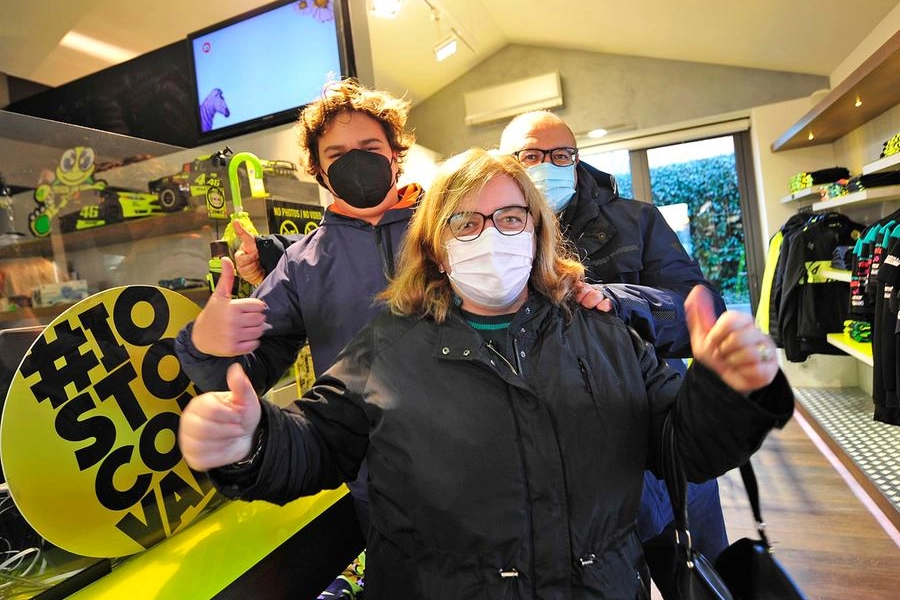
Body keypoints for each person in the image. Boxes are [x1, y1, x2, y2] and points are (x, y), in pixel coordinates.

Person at [178, 148, 793, 599]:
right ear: (437, 249)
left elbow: (682, 446)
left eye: (509, 218)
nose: (490, 236)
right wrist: (251, 443)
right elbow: (313, 445)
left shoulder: (606, 334)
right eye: (465, 222)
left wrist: (726, 391)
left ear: (536, 232)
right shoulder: (386, 348)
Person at [175, 78, 423, 598]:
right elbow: (249, 371)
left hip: (481, 460)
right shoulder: (302, 262)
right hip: (376, 485)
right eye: (337, 153)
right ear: (319, 169)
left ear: (396, 156)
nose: (355, 162)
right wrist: (210, 341)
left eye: (370, 149)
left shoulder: (445, 229)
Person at [498, 110, 732, 595]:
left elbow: (700, 310)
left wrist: (621, 302)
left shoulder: (636, 221)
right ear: (508, 163)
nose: (548, 164)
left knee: (701, 575)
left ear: (578, 160)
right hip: (572, 463)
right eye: (532, 155)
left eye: (561, 154)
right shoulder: (493, 234)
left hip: (659, 427)